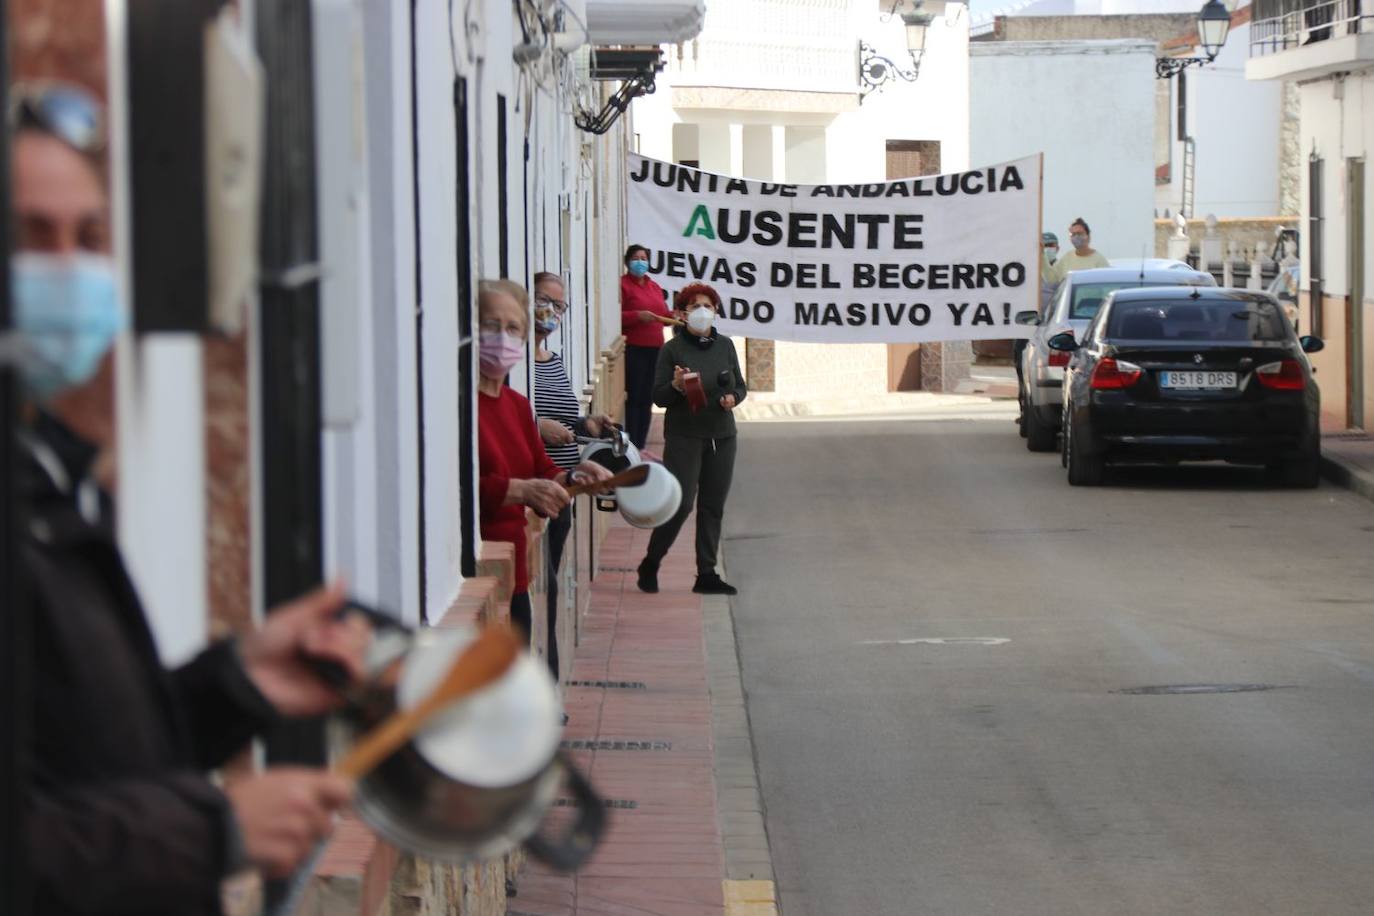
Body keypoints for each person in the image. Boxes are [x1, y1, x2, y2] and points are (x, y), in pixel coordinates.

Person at [11, 81, 364, 915]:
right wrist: (212, 831)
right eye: (30, 237)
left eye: (88, 237)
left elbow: (76, 758)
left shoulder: (45, 473)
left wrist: (236, 686)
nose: (68, 268)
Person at [477, 278, 611, 653]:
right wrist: (516, 490)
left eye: (512, 327)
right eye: (490, 326)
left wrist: (573, 476)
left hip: (514, 570)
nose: (501, 336)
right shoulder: (458, 405)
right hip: (474, 571)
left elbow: (541, 466)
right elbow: (450, 490)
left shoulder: (518, 405)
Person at [636, 282, 746, 597]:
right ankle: (652, 560)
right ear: (682, 313)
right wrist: (676, 387)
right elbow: (658, 397)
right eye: (695, 306)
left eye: (708, 306)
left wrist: (732, 398)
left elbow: (740, 385)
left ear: (716, 311)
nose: (702, 312)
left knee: (713, 506)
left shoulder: (725, 345)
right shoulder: (673, 349)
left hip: (722, 435)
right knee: (680, 504)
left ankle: (707, 573)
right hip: (685, 435)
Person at [530, 271, 614, 679]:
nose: (551, 312)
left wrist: (589, 424)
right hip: (538, 494)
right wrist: (537, 427)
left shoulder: (554, 360)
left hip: (565, 487)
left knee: (552, 588)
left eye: (559, 306)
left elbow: (567, 419)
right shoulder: (517, 366)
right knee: (539, 593)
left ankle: (549, 681)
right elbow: (518, 421)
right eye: (544, 300)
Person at [619, 244, 670, 449]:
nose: (641, 262)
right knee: (635, 397)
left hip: (655, 349)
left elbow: (663, 316)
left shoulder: (654, 286)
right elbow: (615, 316)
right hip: (634, 349)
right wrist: (637, 316)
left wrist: (676, 315)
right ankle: (631, 443)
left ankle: (641, 443)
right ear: (628, 261)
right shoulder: (622, 285)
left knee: (648, 397)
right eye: (636, 258)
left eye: (644, 258)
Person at [1043, 217, 1110, 287]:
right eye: (1073, 234)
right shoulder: (1067, 258)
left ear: (1088, 236)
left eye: (1079, 233)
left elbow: (1107, 286)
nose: (1076, 237)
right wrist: (1042, 255)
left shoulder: (1099, 260)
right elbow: (1051, 278)